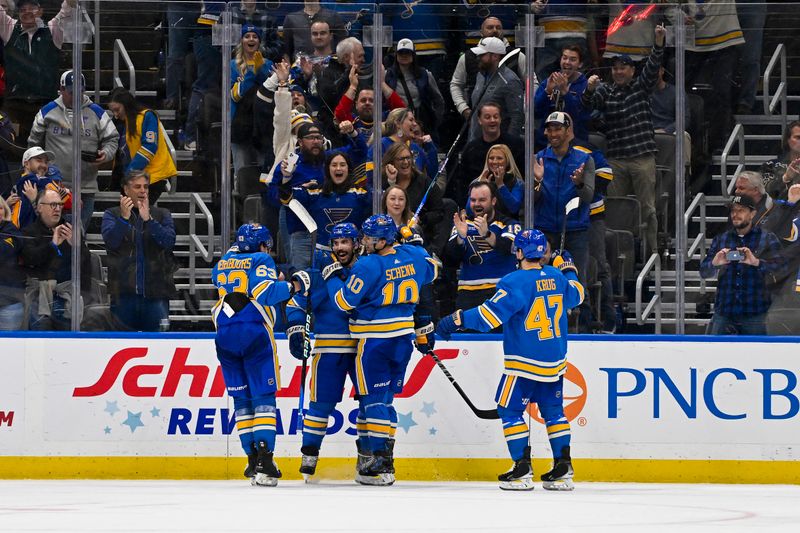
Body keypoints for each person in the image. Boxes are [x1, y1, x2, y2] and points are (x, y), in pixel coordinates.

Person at [436, 229, 585, 491]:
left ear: (519, 252)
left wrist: (456, 319)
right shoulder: (556, 276)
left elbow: (487, 318)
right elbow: (577, 295)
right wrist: (568, 267)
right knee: (554, 412)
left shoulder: (513, 281)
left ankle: (522, 467)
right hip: (554, 362)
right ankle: (563, 466)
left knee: (510, 410)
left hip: (523, 363)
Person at [325, 214, 438, 485]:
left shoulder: (368, 264)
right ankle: (386, 461)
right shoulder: (414, 254)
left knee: (374, 399)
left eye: (369, 237)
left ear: (383, 240)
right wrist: (414, 242)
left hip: (374, 340)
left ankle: (380, 459)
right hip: (402, 339)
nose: (364, 241)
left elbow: (343, 302)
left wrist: (331, 278)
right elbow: (433, 270)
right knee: (386, 401)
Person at [212, 223, 309, 487]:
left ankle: (251, 458)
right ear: (263, 244)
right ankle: (265, 460)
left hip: (224, 332)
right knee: (263, 398)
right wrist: (295, 286)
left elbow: (226, 280)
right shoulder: (261, 258)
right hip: (252, 330)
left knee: (242, 400)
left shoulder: (223, 262)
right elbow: (265, 293)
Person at [286, 222, 361, 481]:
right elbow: (296, 302)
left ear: (356, 244)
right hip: (328, 349)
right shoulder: (318, 274)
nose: (340, 247)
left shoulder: (365, 269)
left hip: (363, 349)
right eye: (336, 243)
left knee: (368, 404)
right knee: (320, 404)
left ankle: (368, 457)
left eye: (345, 242)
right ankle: (309, 454)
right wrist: (296, 328)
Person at [582, 25, 666, 255]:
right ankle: (621, 253)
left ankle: (652, 252)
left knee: (647, 208)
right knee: (616, 207)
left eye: (624, 68)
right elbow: (587, 106)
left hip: (642, 158)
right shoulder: (605, 91)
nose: (619, 72)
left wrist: (658, 43)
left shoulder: (641, 88)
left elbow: (651, 68)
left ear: (631, 71)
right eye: (616, 68)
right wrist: (589, 89)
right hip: (617, 160)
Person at [269, 121, 366, 268]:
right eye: (310, 138)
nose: (315, 141)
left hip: (328, 228)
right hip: (300, 227)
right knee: (302, 272)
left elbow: (360, 151)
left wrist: (352, 132)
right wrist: (295, 188)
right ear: (300, 142)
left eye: (318, 137)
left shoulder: (331, 159)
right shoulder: (290, 162)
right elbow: (272, 195)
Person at [28, 70, 118, 227]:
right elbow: (33, 144)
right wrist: (38, 171)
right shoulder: (47, 111)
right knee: (52, 233)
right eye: (71, 92)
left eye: (80, 92)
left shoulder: (97, 112)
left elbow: (113, 138)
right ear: (61, 89)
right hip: (53, 187)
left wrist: (106, 153)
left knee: (79, 236)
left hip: (85, 186)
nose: (76, 96)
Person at [101, 171, 176, 331]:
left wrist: (149, 219)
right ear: (126, 190)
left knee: (160, 345)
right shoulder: (112, 214)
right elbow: (111, 242)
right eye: (137, 187)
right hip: (123, 295)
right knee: (120, 343)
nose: (143, 191)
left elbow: (168, 242)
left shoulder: (162, 214)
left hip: (157, 293)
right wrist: (123, 219)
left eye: (146, 187)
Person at [700, 195, 785, 335]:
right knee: (717, 354)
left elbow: (782, 268)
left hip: (755, 312)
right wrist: (714, 263)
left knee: (757, 355)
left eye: (741, 210)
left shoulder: (767, 238)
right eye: (733, 210)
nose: (735, 214)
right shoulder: (722, 239)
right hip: (724, 312)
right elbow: (704, 272)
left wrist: (756, 262)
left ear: (752, 214)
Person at [0, 0, 77, 144]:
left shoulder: (53, 29)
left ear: (41, 11)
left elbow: (67, 10)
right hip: (15, 105)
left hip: (45, 104)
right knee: (15, 150)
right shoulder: (9, 27)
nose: (27, 11)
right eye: (23, 9)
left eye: (32, 8)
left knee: (43, 150)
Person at [533, 112, 595, 283]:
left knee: (577, 284)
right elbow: (530, 199)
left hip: (575, 231)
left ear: (568, 131)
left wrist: (579, 184)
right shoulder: (538, 159)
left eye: (558, 129)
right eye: (550, 130)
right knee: (542, 282)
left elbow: (588, 196)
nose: (553, 134)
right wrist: (537, 181)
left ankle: (580, 311)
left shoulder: (584, 159)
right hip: (544, 229)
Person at [444, 180, 521, 312]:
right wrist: (460, 238)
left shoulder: (508, 224)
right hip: (468, 293)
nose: (477, 204)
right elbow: (450, 259)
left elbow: (510, 248)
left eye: (482, 200)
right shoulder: (463, 224)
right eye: (473, 200)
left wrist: (486, 234)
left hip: (501, 291)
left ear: (493, 201)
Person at [20, 187, 90, 330]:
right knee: (39, 345)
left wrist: (76, 246)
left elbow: (86, 262)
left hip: (66, 298)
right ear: (40, 207)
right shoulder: (29, 231)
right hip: (40, 299)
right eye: (53, 205)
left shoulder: (71, 230)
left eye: (59, 204)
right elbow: (29, 259)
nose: (57, 209)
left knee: (67, 346)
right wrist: (52, 245)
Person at [279, 151, 371, 249]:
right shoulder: (314, 193)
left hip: (353, 253)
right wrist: (286, 176)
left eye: (342, 165)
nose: (338, 168)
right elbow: (287, 199)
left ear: (349, 169)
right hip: (323, 252)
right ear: (328, 169)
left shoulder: (361, 193)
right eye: (334, 165)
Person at [450, 16, 527, 123]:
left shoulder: (518, 56)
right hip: (477, 120)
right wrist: (464, 109)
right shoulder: (467, 57)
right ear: (481, 32)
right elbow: (456, 84)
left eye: (498, 28)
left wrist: (523, 107)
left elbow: (532, 83)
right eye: (490, 27)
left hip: (509, 120)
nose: (495, 30)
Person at [107, 88, 177, 204]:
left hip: (153, 175)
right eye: (112, 111)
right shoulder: (125, 122)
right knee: (130, 215)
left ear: (126, 104)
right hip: (136, 177)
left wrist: (130, 172)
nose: (115, 115)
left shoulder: (148, 116)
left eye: (117, 110)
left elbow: (149, 147)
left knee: (138, 215)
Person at [449, 102, 525, 208]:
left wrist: (501, 185)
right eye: (488, 117)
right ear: (479, 120)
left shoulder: (516, 145)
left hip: (508, 211)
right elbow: (462, 183)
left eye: (495, 116)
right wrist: (463, 208)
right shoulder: (471, 149)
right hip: (478, 210)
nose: (492, 120)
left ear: (500, 119)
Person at [381, 142, 448, 255]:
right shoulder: (383, 182)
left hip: (419, 237)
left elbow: (439, 212)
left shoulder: (424, 182)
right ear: (391, 162)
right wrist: (391, 182)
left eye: (408, 158)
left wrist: (421, 219)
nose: (406, 162)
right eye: (401, 159)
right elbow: (381, 207)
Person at [230, 24, 273, 180]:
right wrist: (252, 72)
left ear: (259, 41)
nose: (251, 39)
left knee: (264, 169)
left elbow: (269, 90)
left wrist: (260, 69)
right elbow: (235, 95)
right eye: (247, 36)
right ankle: (240, 201)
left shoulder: (267, 64)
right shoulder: (232, 65)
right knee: (242, 170)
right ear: (241, 40)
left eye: (255, 36)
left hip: (263, 124)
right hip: (240, 123)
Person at [385, 39, 445, 141]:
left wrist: (434, 121)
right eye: (401, 53)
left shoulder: (425, 75)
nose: (404, 55)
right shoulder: (388, 75)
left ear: (413, 55)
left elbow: (438, 100)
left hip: (419, 122)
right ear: (396, 55)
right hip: (396, 123)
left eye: (408, 53)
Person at [467, 36, 524, 142]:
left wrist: (509, 144)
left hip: (498, 146)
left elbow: (517, 116)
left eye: (482, 55)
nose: (478, 58)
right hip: (476, 142)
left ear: (495, 56)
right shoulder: (480, 76)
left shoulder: (509, 80)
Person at [534, 45, 592, 145]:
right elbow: (535, 113)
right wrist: (547, 91)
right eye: (564, 58)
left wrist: (565, 92)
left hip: (575, 144)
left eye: (572, 59)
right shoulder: (549, 81)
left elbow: (579, 117)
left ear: (580, 64)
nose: (567, 62)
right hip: (546, 143)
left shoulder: (586, 86)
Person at [366, 108, 438, 183]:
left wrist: (430, 148)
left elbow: (432, 176)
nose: (415, 123)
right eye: (411, 120)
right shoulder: (381, 145)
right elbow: (371, 177)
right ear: (398, 123)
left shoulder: (415, 148)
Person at [9, 146, 70, 229]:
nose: (44, 165)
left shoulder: (18, 183)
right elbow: (69, 201)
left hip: (23, 231)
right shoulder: (38, 181)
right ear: (26, 164)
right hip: (27, 233)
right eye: (39, 160)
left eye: (46, 162)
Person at [476, 144, 524, 220]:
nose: (494, 162)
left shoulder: (517, 182)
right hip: (483, 224)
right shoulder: (479, 181)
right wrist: (481, 186)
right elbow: (469, 210)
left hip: (508, 226)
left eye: (499, 158)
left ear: (507, 161)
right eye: (491, 158)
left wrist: (500, 185)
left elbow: (514, 208)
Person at [0, 194, 25, 330]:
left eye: (0, 208)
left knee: (9, 350)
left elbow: (3, 252)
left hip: (8, 304)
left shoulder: (11, 230)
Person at [762, 121, 800, 200]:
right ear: (787, 140)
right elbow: (766, 193)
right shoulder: (770, 165)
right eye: (798, 137)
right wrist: (786, 178)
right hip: (781, 210)